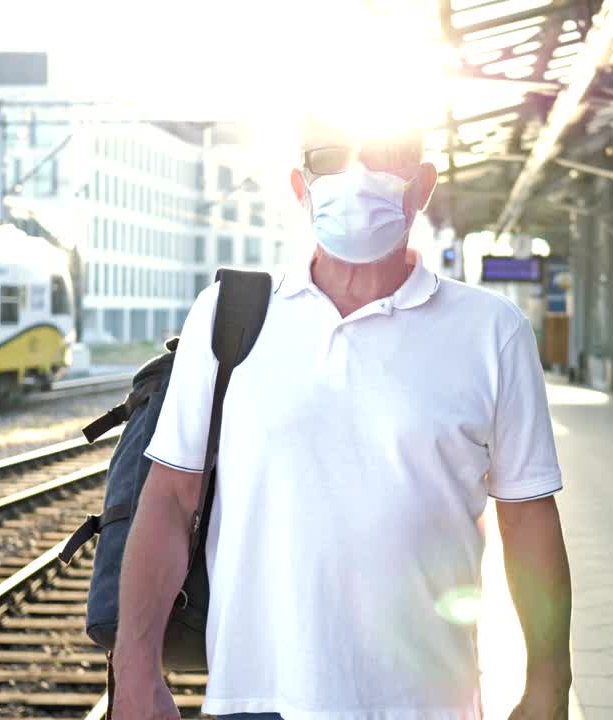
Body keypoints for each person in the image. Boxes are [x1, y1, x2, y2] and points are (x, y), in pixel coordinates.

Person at [112, 116, 572, 720]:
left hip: (428, 701)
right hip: (256, 696)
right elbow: (171, 497)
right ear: (301, 188)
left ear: (423, 186)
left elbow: (528, 513)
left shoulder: (492, 331)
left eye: (385, 154)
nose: (357, 177)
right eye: (330, 158)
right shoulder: (226, 316)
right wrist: (135, 669)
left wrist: (548, 682)